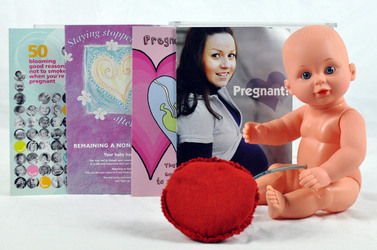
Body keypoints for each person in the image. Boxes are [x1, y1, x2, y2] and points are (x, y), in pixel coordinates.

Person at [243, 25, 366, 219]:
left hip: (341, 182)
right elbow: (283, 129)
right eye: (306, 75)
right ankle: (247, 195)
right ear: (290, 87)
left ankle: (286, 206)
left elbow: (353, 153)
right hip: (305, 174)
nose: (319, 80)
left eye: (330, 69)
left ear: (351, 71)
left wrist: (326, 173)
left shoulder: (349, 117)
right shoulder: (305, 113)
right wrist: (263, 133)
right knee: (277, 171)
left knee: (321, 194)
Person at [177, 27, 268, 176]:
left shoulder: (214, 88)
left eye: (231, 55)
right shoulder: (196, 111)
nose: (226, 64)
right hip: (234, 191)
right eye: (216, 55)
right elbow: (199, 177)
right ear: (196, 57)